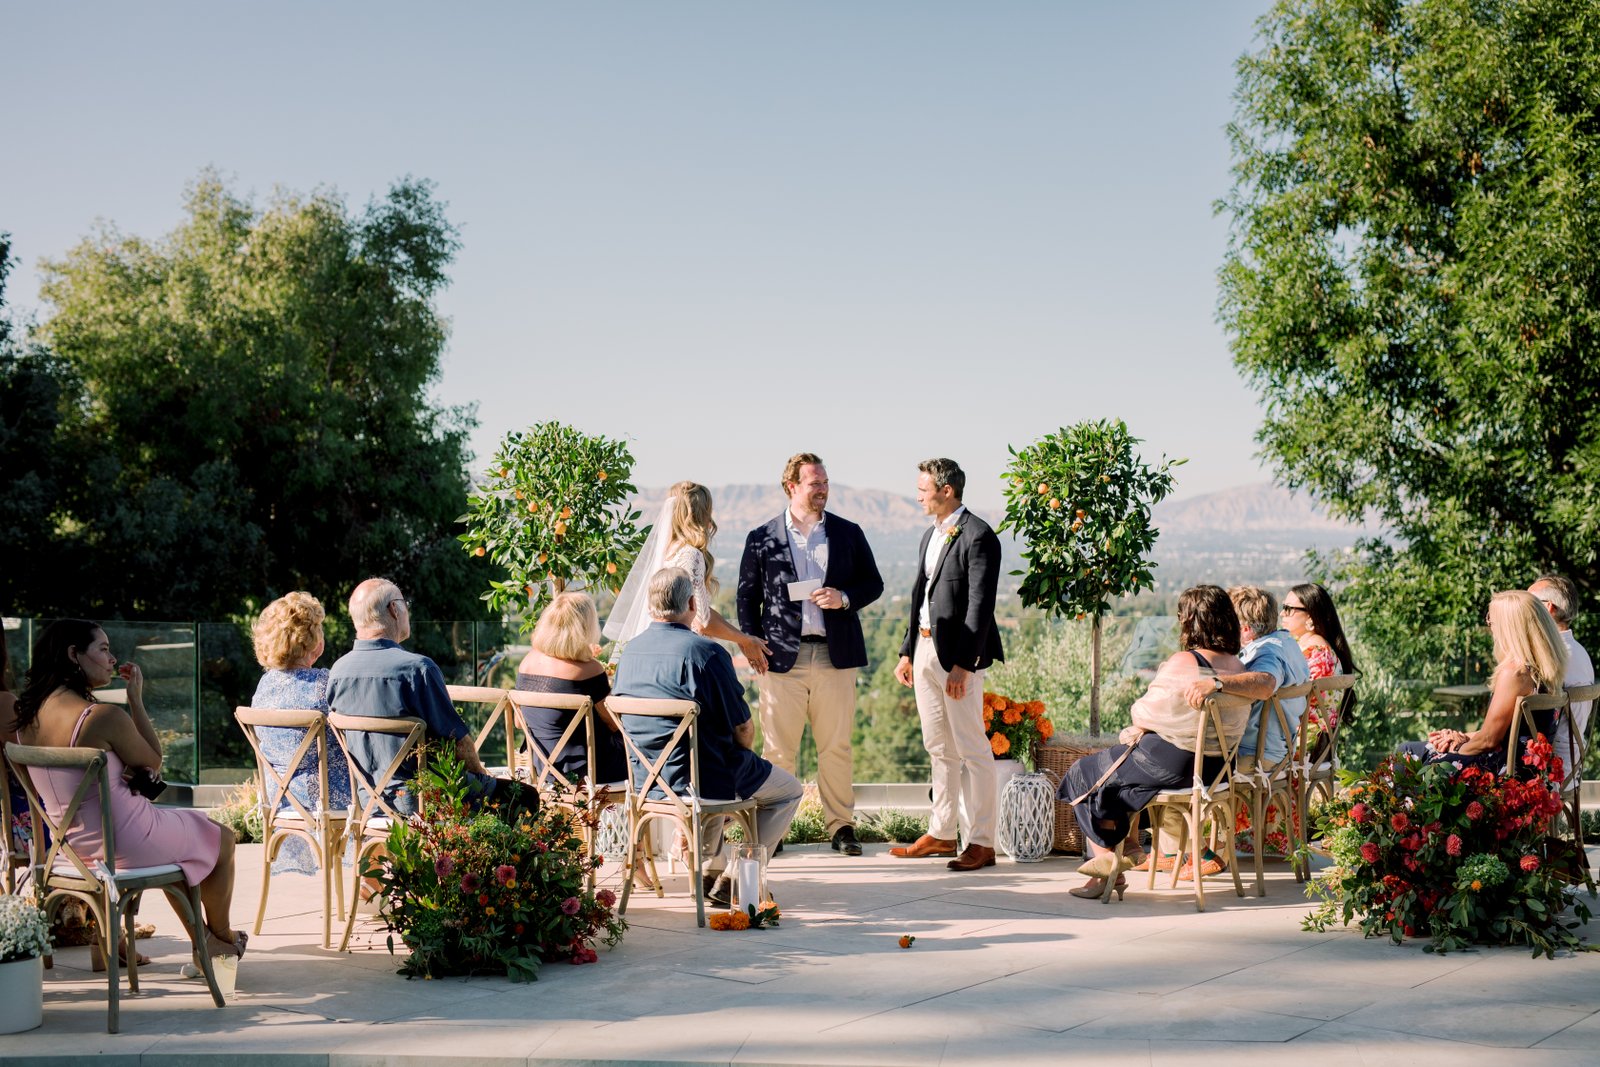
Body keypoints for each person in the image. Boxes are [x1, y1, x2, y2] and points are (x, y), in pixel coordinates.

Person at [14, 619, 245, 962]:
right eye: (103, 649)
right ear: (74, 655)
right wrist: (135, 699)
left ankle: (118, 946)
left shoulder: (26, 719)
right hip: (126, 842)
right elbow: (154, 760)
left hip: (70, 849)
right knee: (221, 838)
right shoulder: (101, 717)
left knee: (185, 847)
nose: (112, 658)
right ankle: (219, 941)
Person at [614, 568, 803, 903]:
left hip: (648, 782)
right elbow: (743, 728)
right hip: (701, 780)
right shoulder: (705, 653)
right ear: (690, 603)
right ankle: (735, 877)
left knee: (712, 760)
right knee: (787, 791)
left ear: (650, 605)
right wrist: (745, 754)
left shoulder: (630, 652)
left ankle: (709, 875)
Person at [1062, 586, 1251, 899]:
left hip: (1176, 764)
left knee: (1083, 773)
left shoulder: (1184, 662)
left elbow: (1143, 713)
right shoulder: (1238, 667)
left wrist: (1142, 728)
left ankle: (1105, 864)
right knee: (1121, 779)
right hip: (1215, 768)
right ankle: (1131, 845)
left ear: (1190, 621)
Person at [737, 454, 883, 856]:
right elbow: (746, 598)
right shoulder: (761, 537)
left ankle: (841, 827)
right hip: (781, 659)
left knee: (836, 746)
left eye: (825, 482)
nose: (822, 489)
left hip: (835, 656)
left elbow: (873, 583)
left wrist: (844, 597)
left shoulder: (848, 532)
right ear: (792, 487)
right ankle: (775, 828)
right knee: (779, 748)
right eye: (814, 483)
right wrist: (751, 644)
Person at [325, 578, 531, 816]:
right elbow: (458, 744)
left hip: (369, 802)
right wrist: (483, 779)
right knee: (524, 797)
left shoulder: (338, 671)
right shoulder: (417, 669)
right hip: (424, 801)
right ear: (394, 609)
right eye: (405, 604)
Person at [889, 458, 1004, 872]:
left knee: (973, 748)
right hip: (923, 653)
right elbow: (920, 595)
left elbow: (980, 606)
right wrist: (907, 651)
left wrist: (964, 664)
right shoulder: (929, 535)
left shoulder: (979, 536)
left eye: (923, 489)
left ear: (946, 491)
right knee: (938, 746)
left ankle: (982, 841)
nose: (918, 496)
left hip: (957, 659)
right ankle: (941, 833)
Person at [606, 481, 772, 671]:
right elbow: (703, 622)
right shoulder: (690, 555)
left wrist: (742, 638)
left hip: (658, 649)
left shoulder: (668, 551)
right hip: (684, 656)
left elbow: (702, 611)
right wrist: (744, 640)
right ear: (700, 514)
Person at [1400, 590, 1568, 773]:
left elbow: (1489, 740)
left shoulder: (1515, 673)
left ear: (1509, 627)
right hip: (1526, 770)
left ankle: (1399, 802)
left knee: (1407, 752)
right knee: (1422, 748)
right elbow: (1502, 733)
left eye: (1492, 619)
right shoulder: (1543, 672)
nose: (1489, 625)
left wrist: (1455, 748)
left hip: (1502, 775)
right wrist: (1460, 737)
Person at [249, 591, 353, 876]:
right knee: (382, 792)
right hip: (330, 800)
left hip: (281, 798)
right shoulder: (325, 684)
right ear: (317, 646)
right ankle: (372, 887)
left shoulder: (263, 688)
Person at [1222, 586, 1309, 859]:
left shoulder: (1266, 653)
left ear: (1246, 629)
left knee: (1191, 766)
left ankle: (1207, 851)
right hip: (1279, 753)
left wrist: (1216, 682)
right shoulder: (1287, 643)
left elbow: (1266, 682)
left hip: (1256, 758)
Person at [516, 591, 627, 786]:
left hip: (544, 769)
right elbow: (614, 723)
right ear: (585, 627)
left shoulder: (527, 663)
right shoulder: (590, 670)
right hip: (589, 771)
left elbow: (519, 722)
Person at [1529, 574, 1595, 791]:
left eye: (1529, 604)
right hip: (1571, 768)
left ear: (1547, 608)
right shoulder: (1579, 652)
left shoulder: (1551, 659)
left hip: (1548, 772)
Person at [1281, 582, 1358, 757]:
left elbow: (1284, 700)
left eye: (1288, 608)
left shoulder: (1314, 654)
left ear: (1310, 617)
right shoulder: (1319, 648)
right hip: (1314, 745)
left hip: (1299, 748)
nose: (1281, 613)